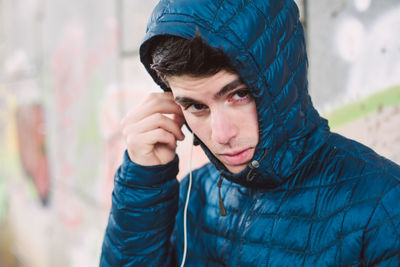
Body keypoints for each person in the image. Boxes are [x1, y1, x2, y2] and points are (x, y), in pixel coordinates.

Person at [100, 0, 400, 266]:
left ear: (281, 80)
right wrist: (143, 182)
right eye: (195, 106)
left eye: (239, 95)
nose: (220, 135)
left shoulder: (384, 202)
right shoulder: (196, 193)